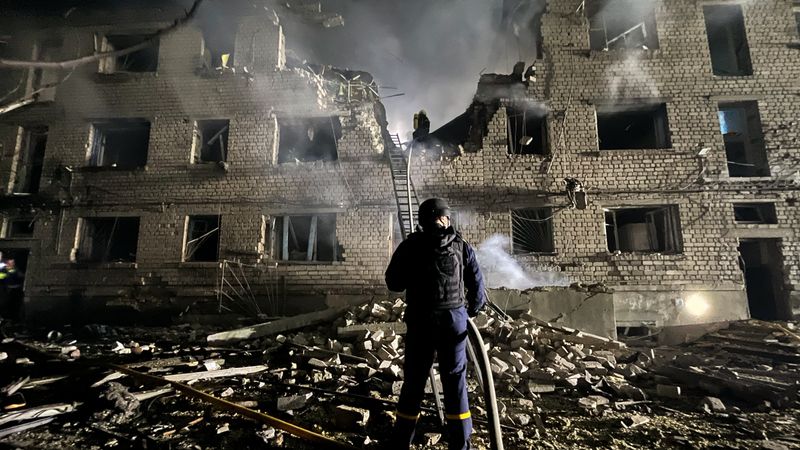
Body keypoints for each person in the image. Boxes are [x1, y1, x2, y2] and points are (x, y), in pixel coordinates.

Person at [385, 198, 487, 450]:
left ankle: (401, 443)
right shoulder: (461, 245)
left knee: (414, 382)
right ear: (446, 218)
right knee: (455, 382)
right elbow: (477, 286)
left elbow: (393, 283)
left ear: (422, 220)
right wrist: (470, 310)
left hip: (421, 320)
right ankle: (461, 445)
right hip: (454, 320)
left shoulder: (411, 245)